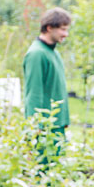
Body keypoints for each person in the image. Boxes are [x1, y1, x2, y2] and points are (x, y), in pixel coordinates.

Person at [23, 7, 72, 139]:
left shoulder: (53, 53)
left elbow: (58, 88)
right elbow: (34, 92)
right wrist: (35, 126)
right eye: (63, 29)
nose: (66, 34)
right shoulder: (37, 54)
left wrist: (64, 119)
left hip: (57, 124)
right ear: (49, 28)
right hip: (44, 128)